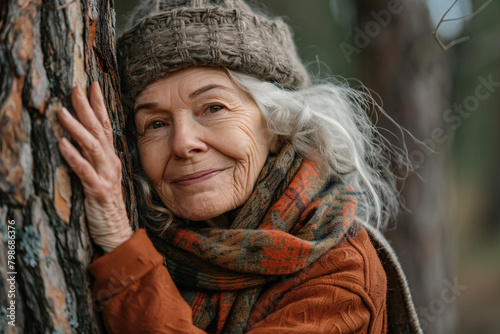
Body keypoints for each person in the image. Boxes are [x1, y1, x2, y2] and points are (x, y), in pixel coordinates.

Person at [57, 0, 423, 333]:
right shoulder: (149, 232)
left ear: (278, 126)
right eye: (155, 123)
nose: (183, 143)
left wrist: (121, 245)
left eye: (213, 108)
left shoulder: (341, 272)